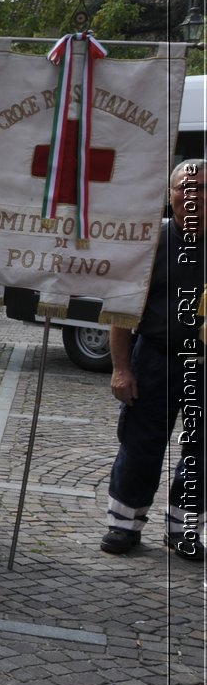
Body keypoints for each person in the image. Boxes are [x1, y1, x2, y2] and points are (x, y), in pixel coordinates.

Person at [101, 160, 203, 561]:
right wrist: (121, 368)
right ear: (171, 193)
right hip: (156, 359)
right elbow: (121, 312)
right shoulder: (150, 243)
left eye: (202, 188)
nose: (192, 196)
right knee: (141, 445)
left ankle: (184, 530)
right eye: (184, 187)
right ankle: (124, 525)